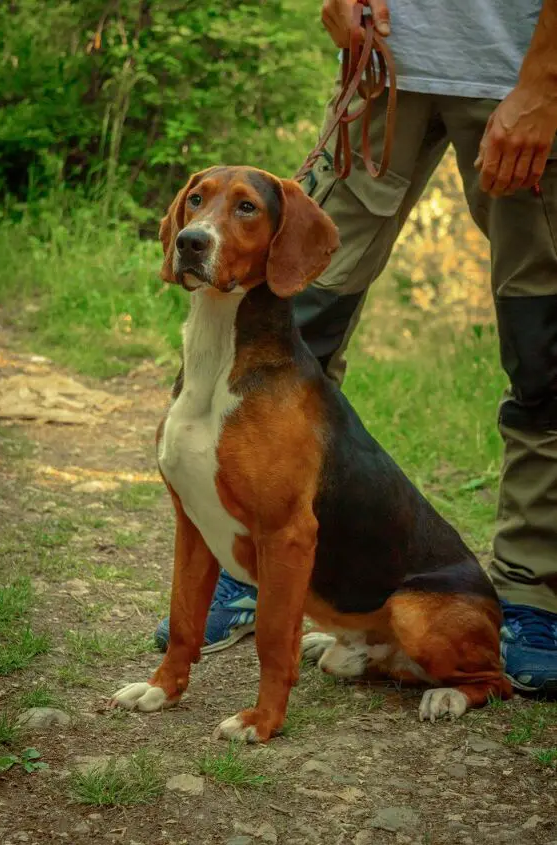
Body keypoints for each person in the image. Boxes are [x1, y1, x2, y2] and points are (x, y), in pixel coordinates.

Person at [156, 0, 557, 693]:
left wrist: (545, 80)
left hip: (513, 67)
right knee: (286, 312)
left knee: (542, 349)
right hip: (385, 64)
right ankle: (248, 550)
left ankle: (530, 596)